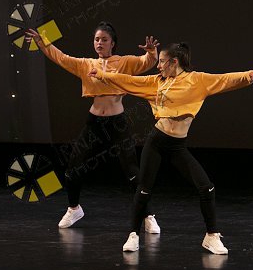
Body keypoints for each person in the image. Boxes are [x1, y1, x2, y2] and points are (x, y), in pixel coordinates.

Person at [88, 42, 253, 254]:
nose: (158, 66)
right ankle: (133, 235)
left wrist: (247, 76)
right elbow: (129, 81)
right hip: (156, 142)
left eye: (162, 62)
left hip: (177, 146)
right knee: (144, 189)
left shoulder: (197, 81)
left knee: (206, 188)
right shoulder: (157, 82)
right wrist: (102, 75)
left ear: (174, 62)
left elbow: (223, 79)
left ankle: (211, 236)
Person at [25, 22, 162, 232]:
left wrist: (152, 53)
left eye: (104, 40)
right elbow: (61, 58)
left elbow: (146, 62)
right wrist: (43, 43)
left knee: (132, 172)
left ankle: (148, 215)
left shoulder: (124, 62)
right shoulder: (86, 64)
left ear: (112, 43)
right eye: (97, 39)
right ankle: (74, 209)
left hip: (117, 124)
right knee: (72, 169)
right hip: (94, 123)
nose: (99, 43)